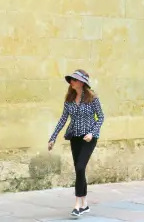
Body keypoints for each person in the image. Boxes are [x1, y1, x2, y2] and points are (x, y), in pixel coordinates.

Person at [48, 69, 105, 217]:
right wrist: (53, 137)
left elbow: (101, 117)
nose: (71, 82)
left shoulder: (92, 98)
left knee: (80, 167)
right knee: (79, 170)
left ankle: (77, 204)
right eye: (71, 80)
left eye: (74, 79)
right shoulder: (69, 99)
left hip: (89, 138)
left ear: (81, 82)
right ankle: (84, 204)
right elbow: (63, 119)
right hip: (75, 138)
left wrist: (92, 133)